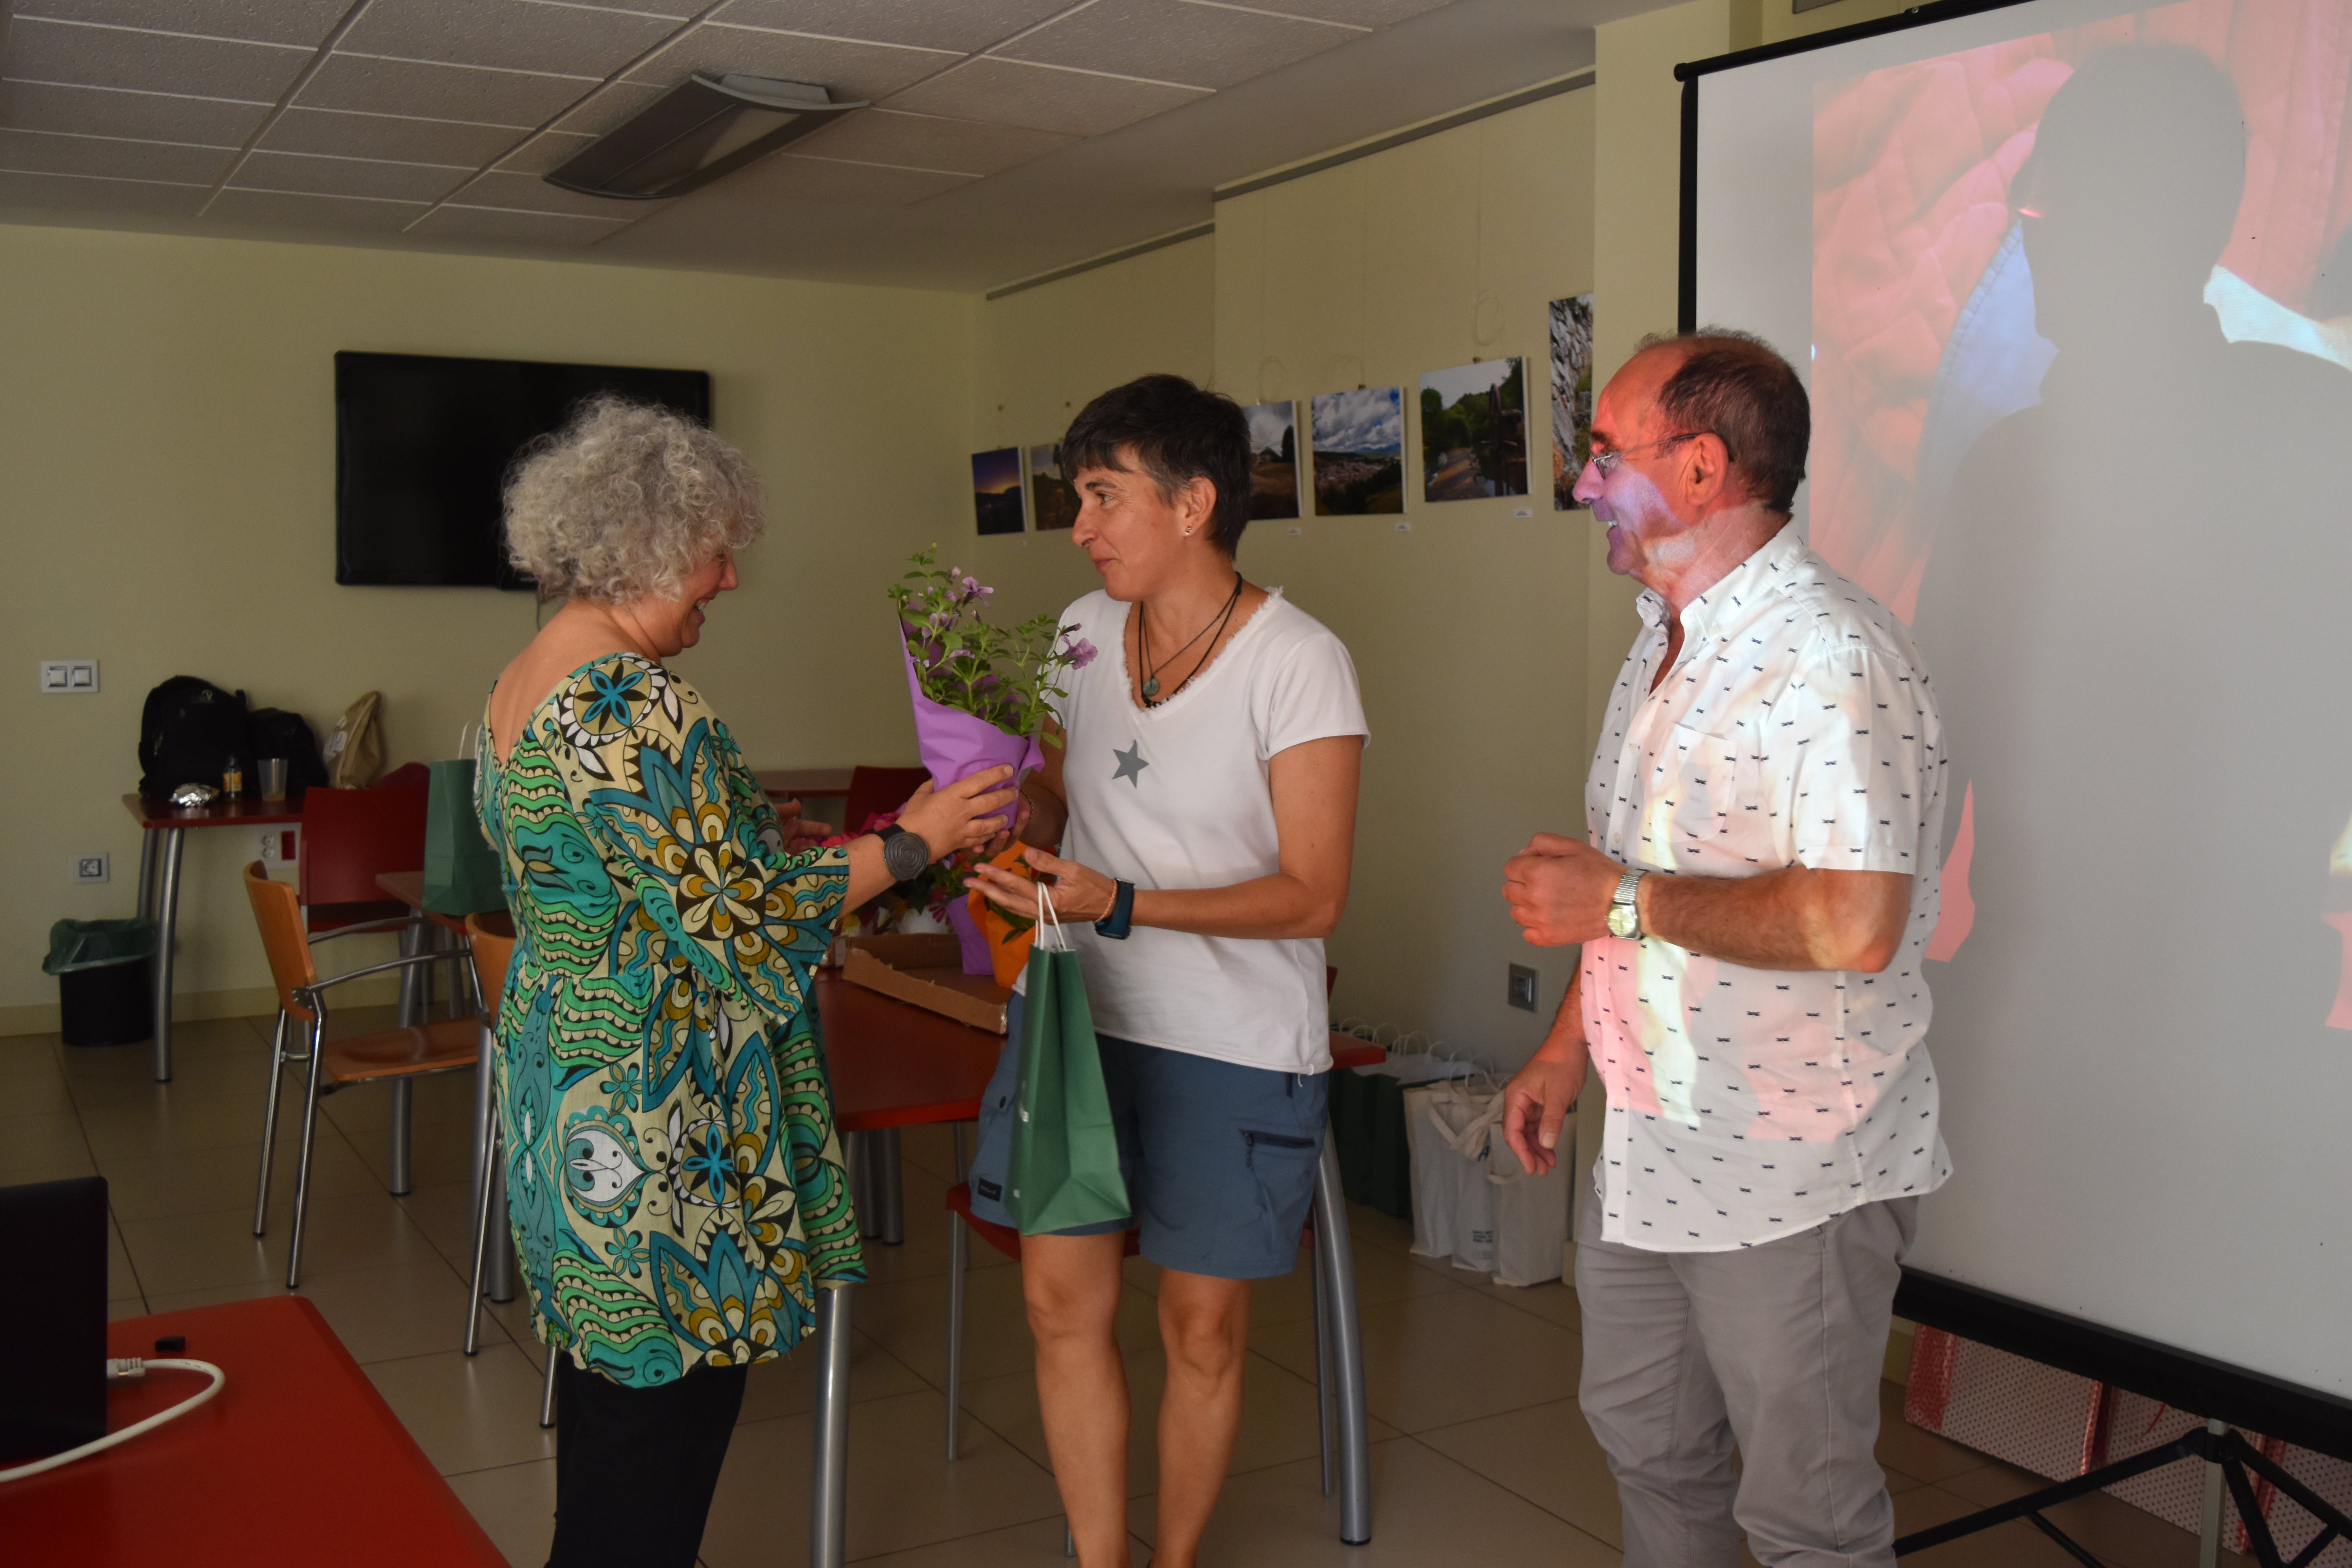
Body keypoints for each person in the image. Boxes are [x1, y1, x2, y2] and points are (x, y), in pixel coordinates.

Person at [478, 397, 1014, 1568]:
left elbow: (609, 864)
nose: (725, 580)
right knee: (657, 1440)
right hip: (654, 1115)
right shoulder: (629, 696)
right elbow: (742, 916)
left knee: (614, 1414)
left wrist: (738, 825)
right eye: (716, 553)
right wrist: (915, 839)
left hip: (570, 1090)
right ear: (649, 550)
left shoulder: (527, 681)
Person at [1499, 333, 1947, 1568]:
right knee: (1650, 1447)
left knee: (1805, 1515)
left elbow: (1857, 926)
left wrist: (1622, 901)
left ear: (1700, 468)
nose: (1584, 480)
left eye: (1603, 453)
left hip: (1789, 1164)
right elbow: (1625, 895)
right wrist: (1562, 1054)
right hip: (1651, 1145)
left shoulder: (1832, 655)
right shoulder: (1664, 639)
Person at [965, 374, 1368, 1568]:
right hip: (1075, 1021)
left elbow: (1316, 893)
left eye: (1102, 496)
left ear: (1194, 503)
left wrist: (1125, 901)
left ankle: (1174, 1561)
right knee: (1059, 1308)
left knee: (1200, 1332)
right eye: (1076, 497)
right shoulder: (1084, 633)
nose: (1079, 527)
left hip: (1230, 1045)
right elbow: (1059, 789)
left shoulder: (1300, 662)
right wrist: (1002, 817)